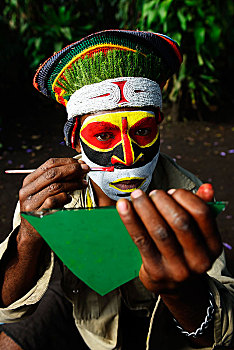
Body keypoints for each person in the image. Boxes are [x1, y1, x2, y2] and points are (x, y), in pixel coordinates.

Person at [0, 30, 234, 350]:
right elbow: (7, 307)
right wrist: (28, 234)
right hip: (79, 311)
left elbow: (223, 334)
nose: (127, 155)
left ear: (159, 126)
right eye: (104, 136)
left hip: (160, 324)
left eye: (142, 131)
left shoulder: (187, 194)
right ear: (75, 141)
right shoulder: (49, 192)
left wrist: (183, 293)